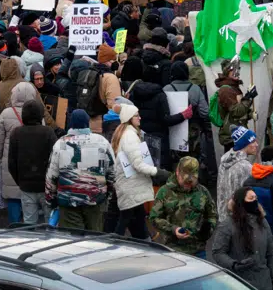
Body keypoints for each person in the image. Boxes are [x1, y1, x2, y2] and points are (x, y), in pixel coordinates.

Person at [45, 109, 116, 231]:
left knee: (73, 242)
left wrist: (51, 199)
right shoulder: (101, 142)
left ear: (71, 124)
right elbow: (113, 173)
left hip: (68, 201)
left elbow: (51, 176)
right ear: (87, 123)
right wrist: (107, 195)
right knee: (94, 240)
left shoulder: (60, 144)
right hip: (95, 199)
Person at [208, 187, 273, 290]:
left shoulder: (262, 222)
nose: (254, 201)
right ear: (241, 202)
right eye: (251, 198)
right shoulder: (227, 225)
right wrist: (234, 264)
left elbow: (271, 252)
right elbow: (218, 252)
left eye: (256, 198)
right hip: (238, 286)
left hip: (263, 285)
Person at [148, 157, 217, 257]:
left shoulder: (203, 192)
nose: (188, 183)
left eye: (191, 181)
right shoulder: (165, 192)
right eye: (185, 180)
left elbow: (212, 215)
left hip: (198, 251)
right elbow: (154, 218)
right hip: (173, 251)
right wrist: (173, 229)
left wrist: (208, 229)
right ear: (177, 172)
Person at [112, 101, 157, 239]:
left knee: (137, 216)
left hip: (130, 186)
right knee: (125, 220)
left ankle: (146, 241)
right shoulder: (130, 136)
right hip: (131, 186)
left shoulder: (124, 134)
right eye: (136, 116)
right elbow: (138, 164)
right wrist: (156, 172)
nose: (140, 118)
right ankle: (114, 245)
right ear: (129, 118)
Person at [8, 99, 54, 226]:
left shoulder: (16, 133)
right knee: (49, 223)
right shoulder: (48, 132)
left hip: (26, 186)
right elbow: (55, 161)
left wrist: (21, 181)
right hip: (46, 187)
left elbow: (11, 163)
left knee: (29, 224)